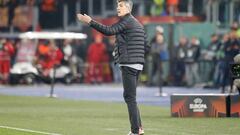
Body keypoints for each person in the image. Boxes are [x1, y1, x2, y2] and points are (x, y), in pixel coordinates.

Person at [77, 0, 149, 134]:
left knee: (129, 98)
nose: (118, 8)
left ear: (128, 8)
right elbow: (147, 45)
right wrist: (138, 56)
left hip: (128, 64)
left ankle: (135, 131)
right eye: (117, 5)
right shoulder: (137, 23)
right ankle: (138, 128)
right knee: (131, 97)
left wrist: (90, 21)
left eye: (121, 5)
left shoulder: (126, 21)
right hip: (138, 64)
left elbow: (109, 31)